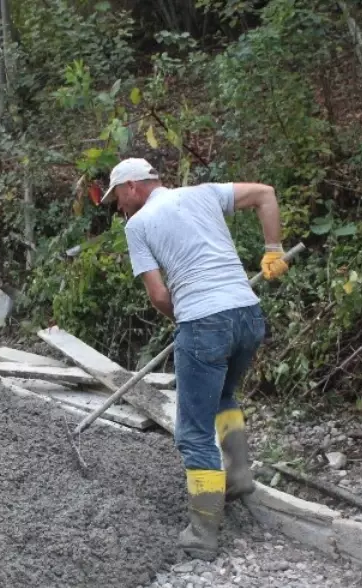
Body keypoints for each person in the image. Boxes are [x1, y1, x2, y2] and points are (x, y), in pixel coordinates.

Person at [102, 157, 290, 561]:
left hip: (205, 322)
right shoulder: (203, 193)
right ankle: (238, 477)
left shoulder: (138, 226)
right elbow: (265, 195)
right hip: (248, 316)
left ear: (132, 187)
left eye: (117, 195)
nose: (118, 206)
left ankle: (203, 533)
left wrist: (187, 321)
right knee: (223, 396)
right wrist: (272, 250)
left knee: (192, 432)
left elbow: (157, 296)